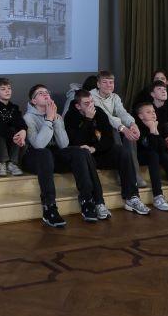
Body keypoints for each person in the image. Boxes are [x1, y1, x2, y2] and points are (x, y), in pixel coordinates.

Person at [23, 84, 109, 226]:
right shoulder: (28, 117)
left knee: (79, 151)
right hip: (35, 157)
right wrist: (48, 120)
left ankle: (87, 201)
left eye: (46, 92)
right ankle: (49, 207)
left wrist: (55, 121)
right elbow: (38, 145)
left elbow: (64, 144)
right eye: (40, 93)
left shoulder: (56, 116)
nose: (45, 94)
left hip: (52, 156)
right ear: (34, 101)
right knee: (45, 153)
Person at [65, 89, 148, 214]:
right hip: (83, 156)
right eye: (86, 103)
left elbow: (109, 139)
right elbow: (75, 141)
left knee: (122, 152)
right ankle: (98, 202)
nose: (91, 105)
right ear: (78, 106)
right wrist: (88, 120)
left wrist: (95, 148)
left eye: (92, 101)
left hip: (99, 151)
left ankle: (132, 197)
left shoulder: (99, 112)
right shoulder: (70, 116)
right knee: (84, 154)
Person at [90, 71, 146, 187]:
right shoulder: (92, 96)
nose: (108, 85)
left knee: (130, 136)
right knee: (115, 131)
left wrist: (132, 124)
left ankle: (135, 174)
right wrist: (123, 128)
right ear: (98, 84)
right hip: (96, 130)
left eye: (111, 82)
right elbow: (106, 116)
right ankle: (122, 174)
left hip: (114, 126)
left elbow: (122, 112)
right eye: (105, 82)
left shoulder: (115, 97)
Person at [0, 77, 27, 176]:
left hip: (11, 139)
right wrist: (13, 136)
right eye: (3, 89)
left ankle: (12, 163)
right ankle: (2, 162)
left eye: (9, 88)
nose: (7, 91)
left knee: (18, 131)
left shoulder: (14, 107)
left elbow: (20, 121)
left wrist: (23, 130)